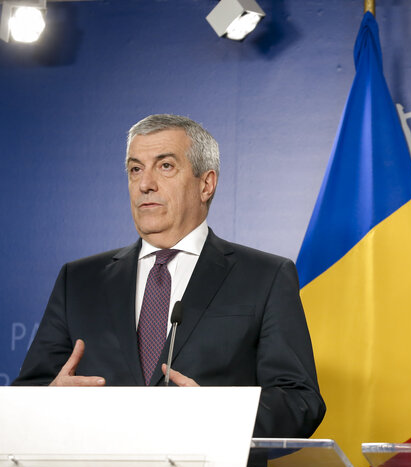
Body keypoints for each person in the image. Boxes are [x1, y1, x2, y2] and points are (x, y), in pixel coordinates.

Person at [14, 114, 325, 439]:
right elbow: (26, 395)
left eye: (164, 166)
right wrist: (47, 401)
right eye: (135, 169)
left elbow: (300, 402)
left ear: (206, 184)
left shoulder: (265, 277)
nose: (144, 184)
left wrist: (217, 416)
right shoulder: (78, 280)